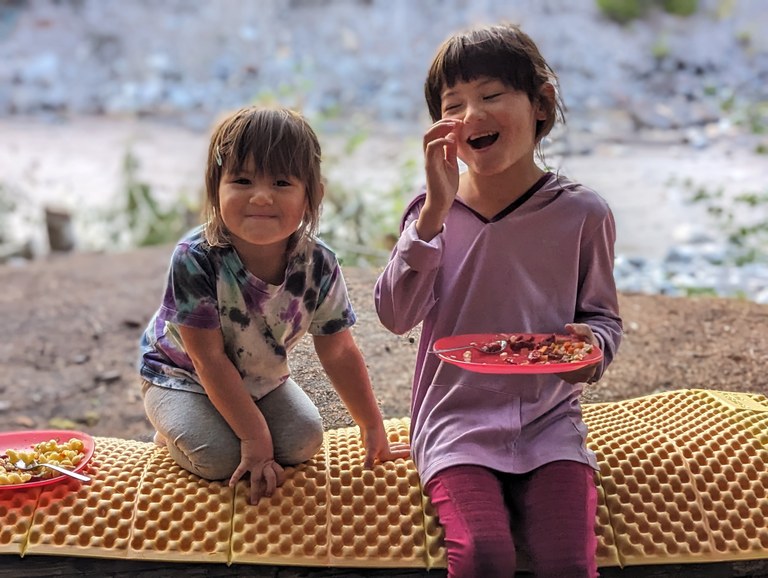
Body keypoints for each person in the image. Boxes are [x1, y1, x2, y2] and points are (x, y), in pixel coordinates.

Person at [374, 23, 622, 578]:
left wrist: (591, 347)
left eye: (490, 95)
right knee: (485, 553)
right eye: (452, 104)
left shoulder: (583, 214)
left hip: (549, 420)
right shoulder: (429, 214)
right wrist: (434, 214)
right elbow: (394, 315)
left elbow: (602, 317)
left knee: (566, 558)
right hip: (454, 421)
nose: (471, 115)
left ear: (541, 103)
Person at [139, 106, 409, 505]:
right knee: (219, 459)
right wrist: (254, 438)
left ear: (312, 194)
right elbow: (207, 360)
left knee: (303, 441)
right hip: (179, 376)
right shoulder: (195, 258)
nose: (261, 196)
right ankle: (170, 431)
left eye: (282, 182)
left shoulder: (319, 264)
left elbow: (339, 350)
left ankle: (229, 422)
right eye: (242, 180)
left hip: (258, 378)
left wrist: (371, 426)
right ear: (216, 189)